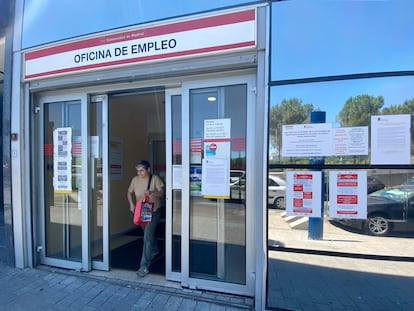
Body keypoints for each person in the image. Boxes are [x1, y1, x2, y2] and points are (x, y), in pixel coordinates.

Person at [127, 160, 165, 277]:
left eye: (142, 170)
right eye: (138, 171)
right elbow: (129, 192)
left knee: (147, 237)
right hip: (141, 211)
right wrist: (131, 205)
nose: (139, 173)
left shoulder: (155, 179)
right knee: (147, 234)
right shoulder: (135, 180)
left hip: (154, 210)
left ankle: (144, 266)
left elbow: (162, 193)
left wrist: (152, 192)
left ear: (148, 170)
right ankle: (154, 250)